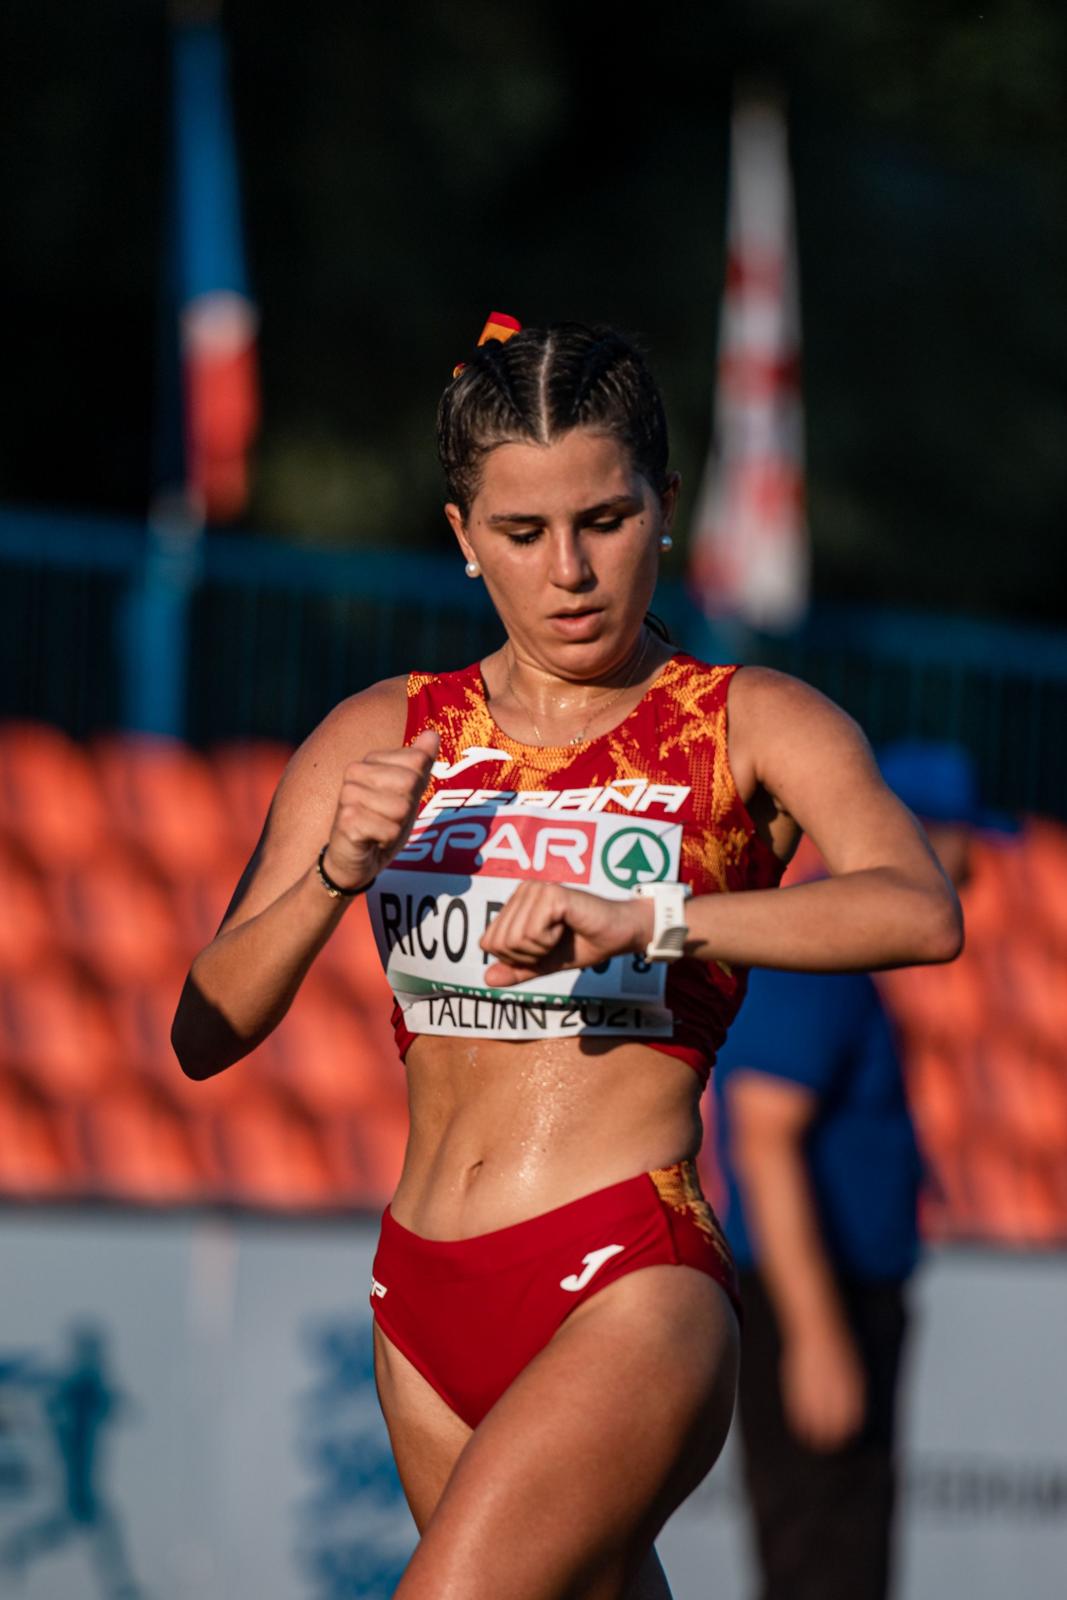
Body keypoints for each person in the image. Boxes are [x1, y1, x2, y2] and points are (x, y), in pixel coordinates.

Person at [171, 318, 963, 1600]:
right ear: (461, 536)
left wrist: (647, 918)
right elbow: (203, 1033)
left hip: (627, 1278)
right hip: (421, 1292)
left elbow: (918, 908)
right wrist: (333, 873)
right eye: (523, 533)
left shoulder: (747, 719)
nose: (569, 572)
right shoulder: (381, 730)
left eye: (602, 518)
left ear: (663, 507)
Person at [713, 741, 978, 1600]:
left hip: (834, 1295)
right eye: (964, 836)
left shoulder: (838, 959)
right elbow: (763, 1142)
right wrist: (818, 1337)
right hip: (815, 1300)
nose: (976, 862)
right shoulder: (817, 959)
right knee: (824, 1562)